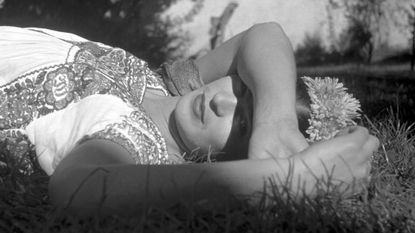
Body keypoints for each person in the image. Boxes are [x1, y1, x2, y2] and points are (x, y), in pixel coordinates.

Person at [0, 23, 379, 216]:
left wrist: (288, 179)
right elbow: (264, 34)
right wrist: (274, 121)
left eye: (242, 124)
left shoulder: (132, 138)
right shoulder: (164, 87)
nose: (223, 102)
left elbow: (77, 189)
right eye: (244, 89)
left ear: (240, 159)